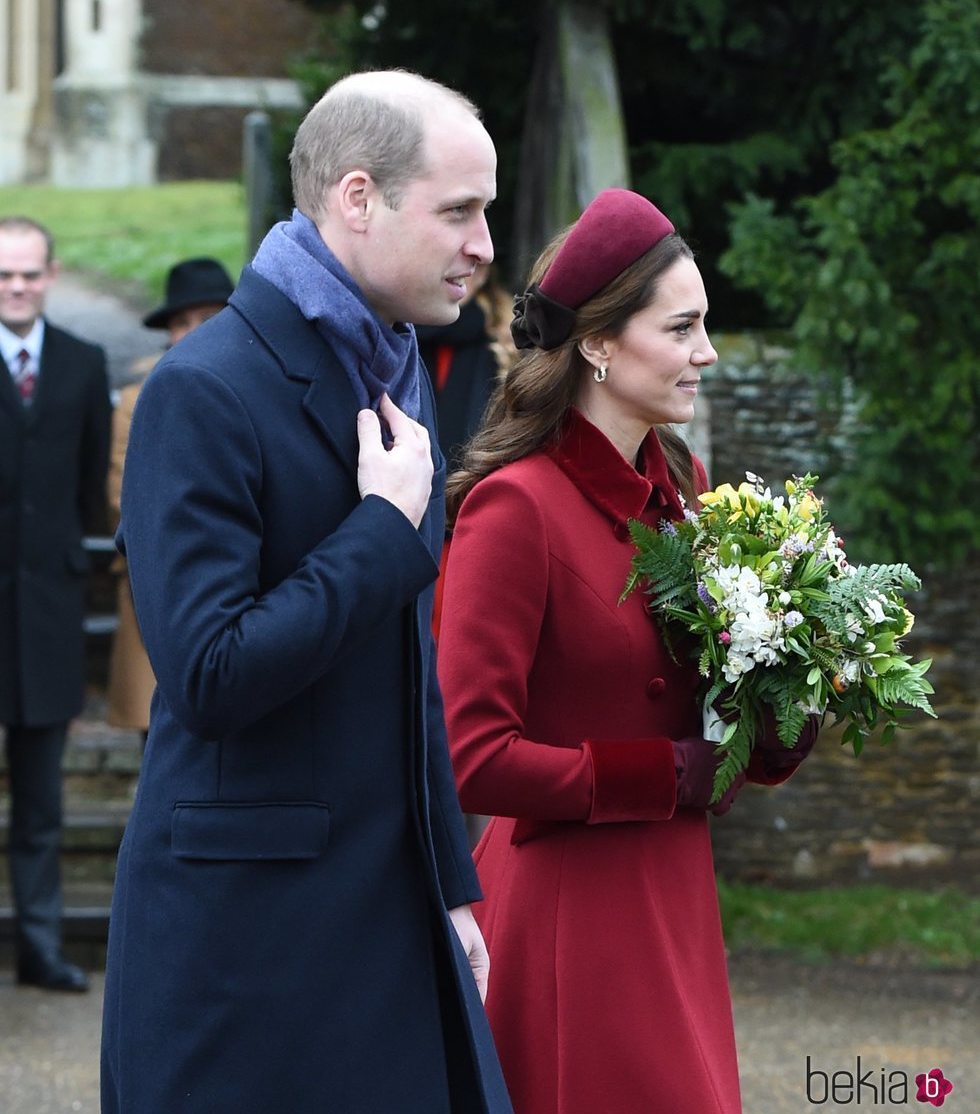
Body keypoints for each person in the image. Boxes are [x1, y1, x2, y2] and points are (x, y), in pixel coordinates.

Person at [100, 70, 512, 1114]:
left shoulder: (395, 370)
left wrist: (455, 888)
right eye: (459, 212)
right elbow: (206, 674)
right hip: (247, 941)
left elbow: (408, 659)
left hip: (390, 908)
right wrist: (379, 531)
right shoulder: (203, 388)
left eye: (486, 213)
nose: (484, 246)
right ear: (358, 198)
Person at [437, 188, 819, 1114]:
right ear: (600, 345)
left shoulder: (685, 491)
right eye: (682, 327)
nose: (706, 352)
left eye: (705, 325)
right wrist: (666, 776)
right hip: (571, 912)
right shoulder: (514, 507)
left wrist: (788, 699)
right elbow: (471, 756)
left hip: (670, 894)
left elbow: (706, 719)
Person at [0, 215, 112, 993]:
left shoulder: (81, 364)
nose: (16, 287)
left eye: (29, 274)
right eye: (3, 275)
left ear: (52, 273)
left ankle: (40, 948)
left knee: (42, 801)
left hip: (45, 616)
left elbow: (86, 493)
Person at [106, 257, 234, 739]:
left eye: (207, 318)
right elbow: (121, 494)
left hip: (237, 593)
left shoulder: (262, 389)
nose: (192, 331)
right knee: (159, 733)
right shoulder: (138, 399)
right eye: (181, 322)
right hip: (154, 585)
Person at [416, 262, 517, 638]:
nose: (467, 272)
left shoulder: (508, 340)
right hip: (412, 521)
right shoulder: (401, 335)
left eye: (479, 267)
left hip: (477, 523)